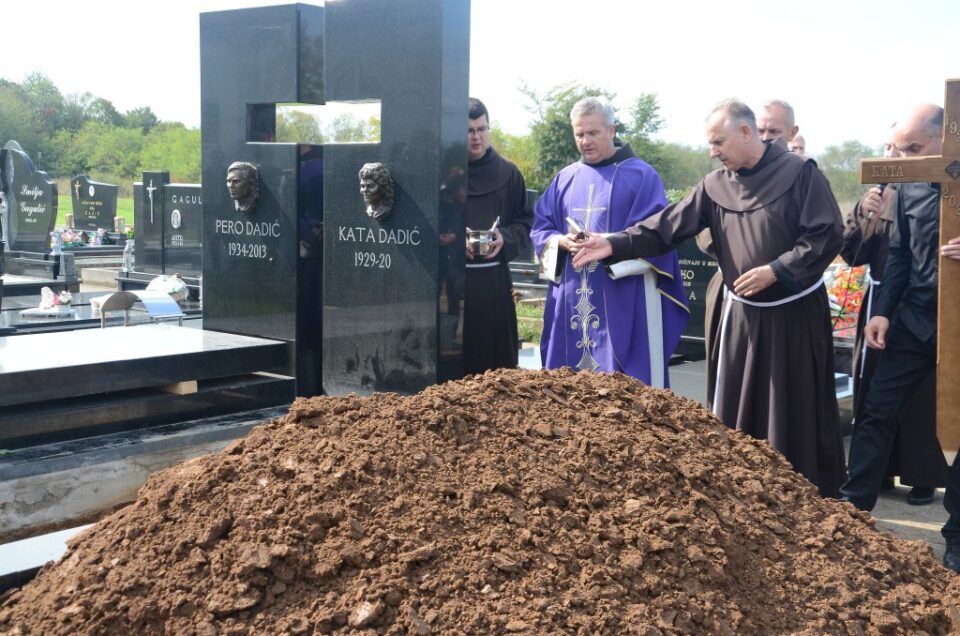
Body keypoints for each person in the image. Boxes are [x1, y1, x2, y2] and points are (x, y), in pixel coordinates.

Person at [571, 99, 846, 497]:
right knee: (738, 411)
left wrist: (778, 270)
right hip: (742, 319)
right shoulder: (715, 185)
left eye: (719, 142)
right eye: (710, 144)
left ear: (747, 133)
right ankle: (742, 489)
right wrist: (612, 243)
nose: (713, 152)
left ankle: (801, 493)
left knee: (792, 408)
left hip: (793, 316)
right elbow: (666, 226)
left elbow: (825, 234)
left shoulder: (801, 173)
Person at [839, 105, 955, 521]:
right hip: (914, 320)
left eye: (913, 147)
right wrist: (883, 311)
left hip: (958, 327)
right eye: (898, 148)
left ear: (947, 138)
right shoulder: (906, 186)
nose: (900, 159)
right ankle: (854, 509)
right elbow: (902, 255)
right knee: (877, 409)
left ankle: (956, 535)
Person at [531, 96, 688, 388]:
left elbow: (655, 235)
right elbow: (541, 228)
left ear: (612, 130)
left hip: (621, 296)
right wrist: (560, 242)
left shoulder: (642, 176)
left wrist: (609, 244)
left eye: (593, 133)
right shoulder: (564, 178)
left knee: (621, 390)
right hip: (571, 296)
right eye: (579, 134)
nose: (585, 141)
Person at [463, 98, 532, 374]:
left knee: (494, 370)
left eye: (482, 128)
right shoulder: (444, 172)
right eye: (469, 131)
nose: (477, 137)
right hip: (451, 283)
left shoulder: (508, 172)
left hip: (493, 282)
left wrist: (504, 237)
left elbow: (526, 222)